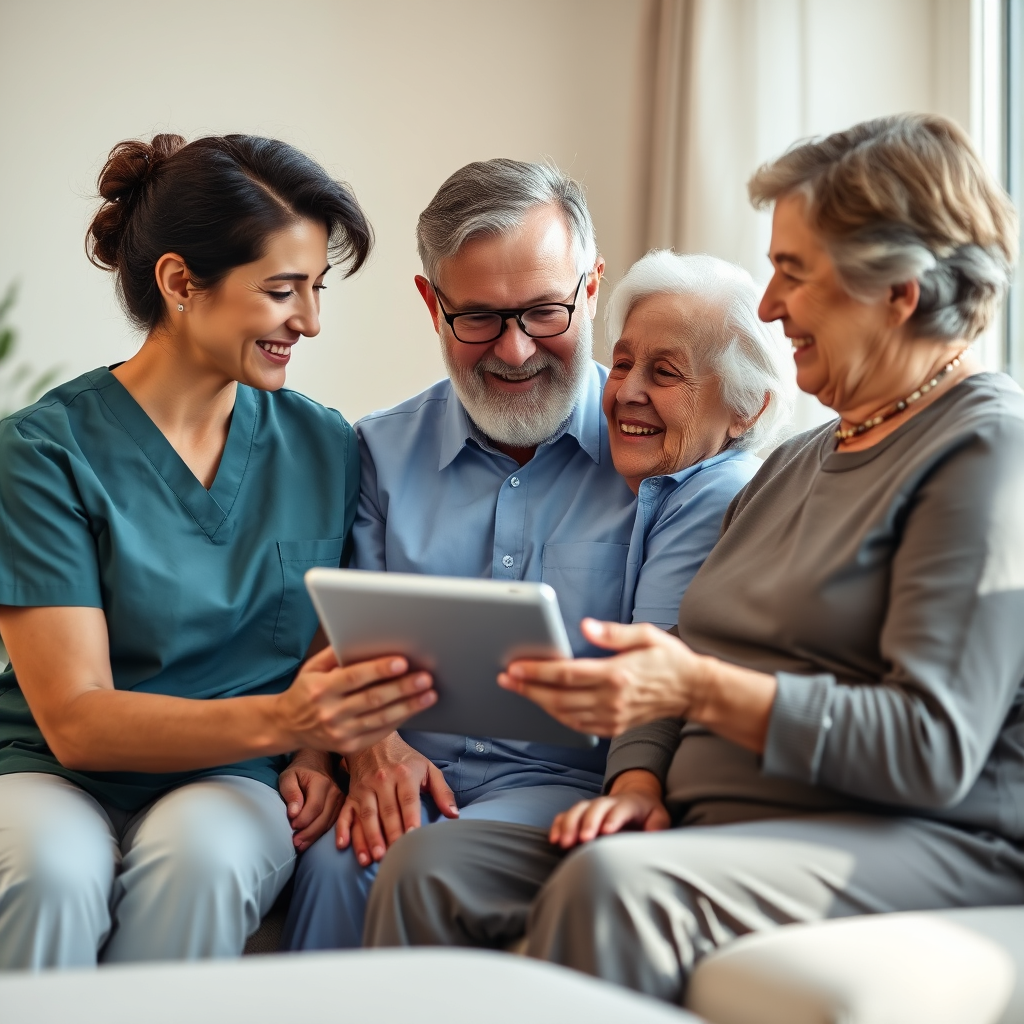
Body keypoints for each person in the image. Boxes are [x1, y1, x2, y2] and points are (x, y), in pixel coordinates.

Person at [362, 113, 1024, 1007]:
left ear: (897, 290)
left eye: (793, 272)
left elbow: (932, 747)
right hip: (724, 818)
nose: (769, 304)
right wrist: (637, 777)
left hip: (908, 832)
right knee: (432, 865)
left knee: (613, 890)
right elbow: (681, 656)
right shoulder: (796, 459)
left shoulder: (986, 451)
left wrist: (698, 691)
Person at [281, 164, 789, 951]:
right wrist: (374, 750)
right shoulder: (379, 449)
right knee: (339, 863)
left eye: (545, 311)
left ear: (591, 288)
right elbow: (351, 639)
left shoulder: (666, 459)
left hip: (563, 784)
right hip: (417, 767)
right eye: (478, 318)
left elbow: (662, 675)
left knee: (413, 861)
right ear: (432, 305)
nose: (515, 350)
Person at [0, 133, 439, 969]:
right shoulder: (42, 452)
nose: (308, 321)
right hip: (54, 772)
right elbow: (79, 723)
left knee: (201, 861)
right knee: (50, 870)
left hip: (232, 777)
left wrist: (310, 752)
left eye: (316, 290)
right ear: (179, 283)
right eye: (282, 290)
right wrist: (290, 721)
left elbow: (323, 631)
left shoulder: (324, 443)